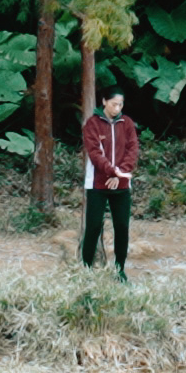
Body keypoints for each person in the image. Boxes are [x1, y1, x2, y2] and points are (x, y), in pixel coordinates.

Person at [79, 89, 139, 277]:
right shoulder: (93, 124)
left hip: (121, 185)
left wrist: (119, 174)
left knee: (122, 227)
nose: (117, 108)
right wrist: (112, 172)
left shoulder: (127, 123)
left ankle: (120, 269)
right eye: (114, 104)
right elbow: (94, 153)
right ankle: (86, 269)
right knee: (93, 227)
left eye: (120, 104)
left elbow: (132, 149)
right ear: (104, 101)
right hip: (97, 184)